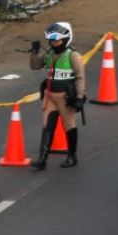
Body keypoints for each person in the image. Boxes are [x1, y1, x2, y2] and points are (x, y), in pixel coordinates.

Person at [29, 21, 86, 169]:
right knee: (48, 126)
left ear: (66, 39)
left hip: (65, 98)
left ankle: (72, 156)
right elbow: (35, 65)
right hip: (49, 97)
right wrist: (34, 52)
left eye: (57, 40)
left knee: (69, 126)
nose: (53, 43)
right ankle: (42, 160)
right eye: (51, 40)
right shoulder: (49, 54)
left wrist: (80, 97)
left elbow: (80, 77)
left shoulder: (73, 56)